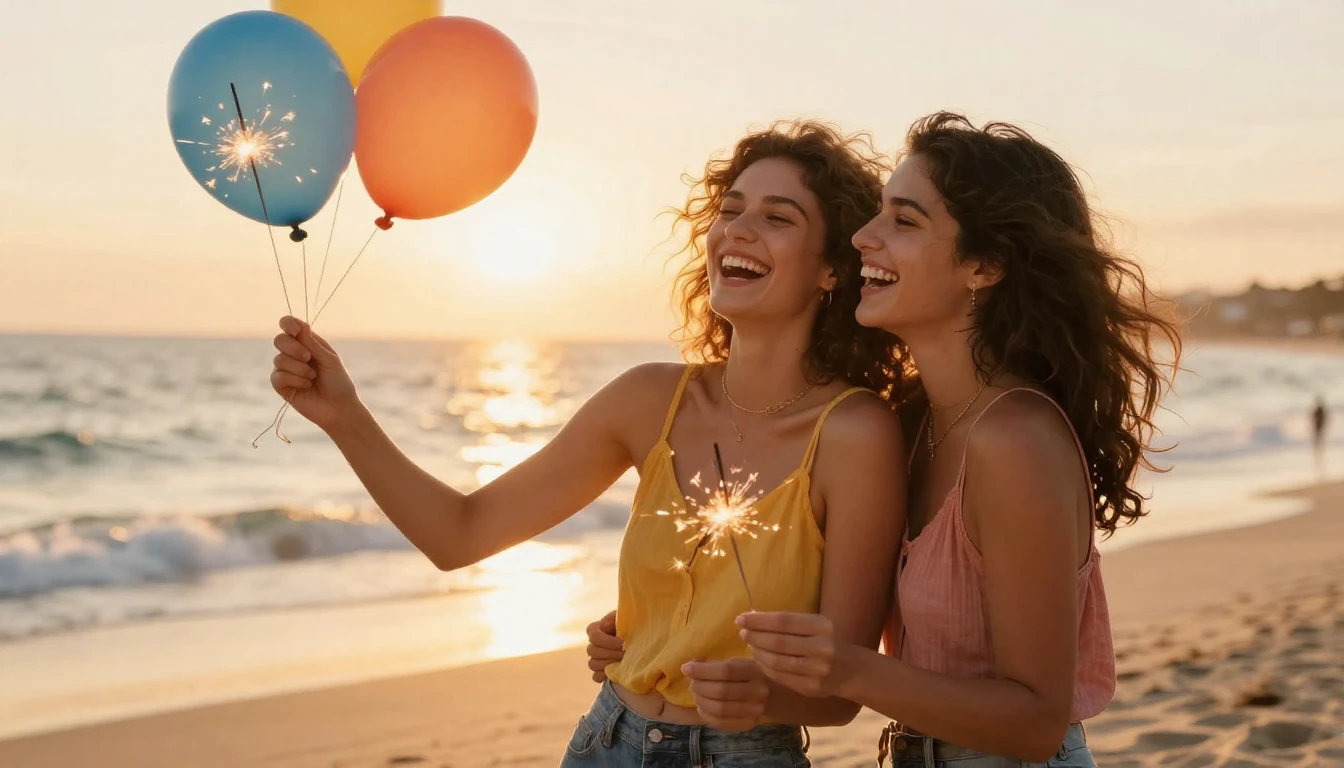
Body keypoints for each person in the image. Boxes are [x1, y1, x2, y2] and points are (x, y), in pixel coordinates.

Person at [269, 121, 912, 767]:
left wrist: (763, 693)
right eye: (730, 210)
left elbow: (842, 692)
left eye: (778, 217)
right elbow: (459, 535)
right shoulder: (648, 400)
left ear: (832, 269)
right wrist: (344, 417)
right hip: (607, 742)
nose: (737, 230)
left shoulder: (856, 435)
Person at [587, 112, 1181, 765]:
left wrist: (847, 670)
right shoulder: (913, 421)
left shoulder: (1016, 439)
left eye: (903, 220)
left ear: (984, 265)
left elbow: (1037, 723)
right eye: (877, 215)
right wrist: (663, 628)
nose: (864, 237)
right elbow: (780, 568)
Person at [1312, 394, 1328, 468]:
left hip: (1319, 425)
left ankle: (1318, 449)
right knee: (1318, 437)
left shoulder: (1320, 410)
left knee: (1318, 437)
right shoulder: (1319, 410)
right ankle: (1318, 449)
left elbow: (1323, 418)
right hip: (1318, 425)